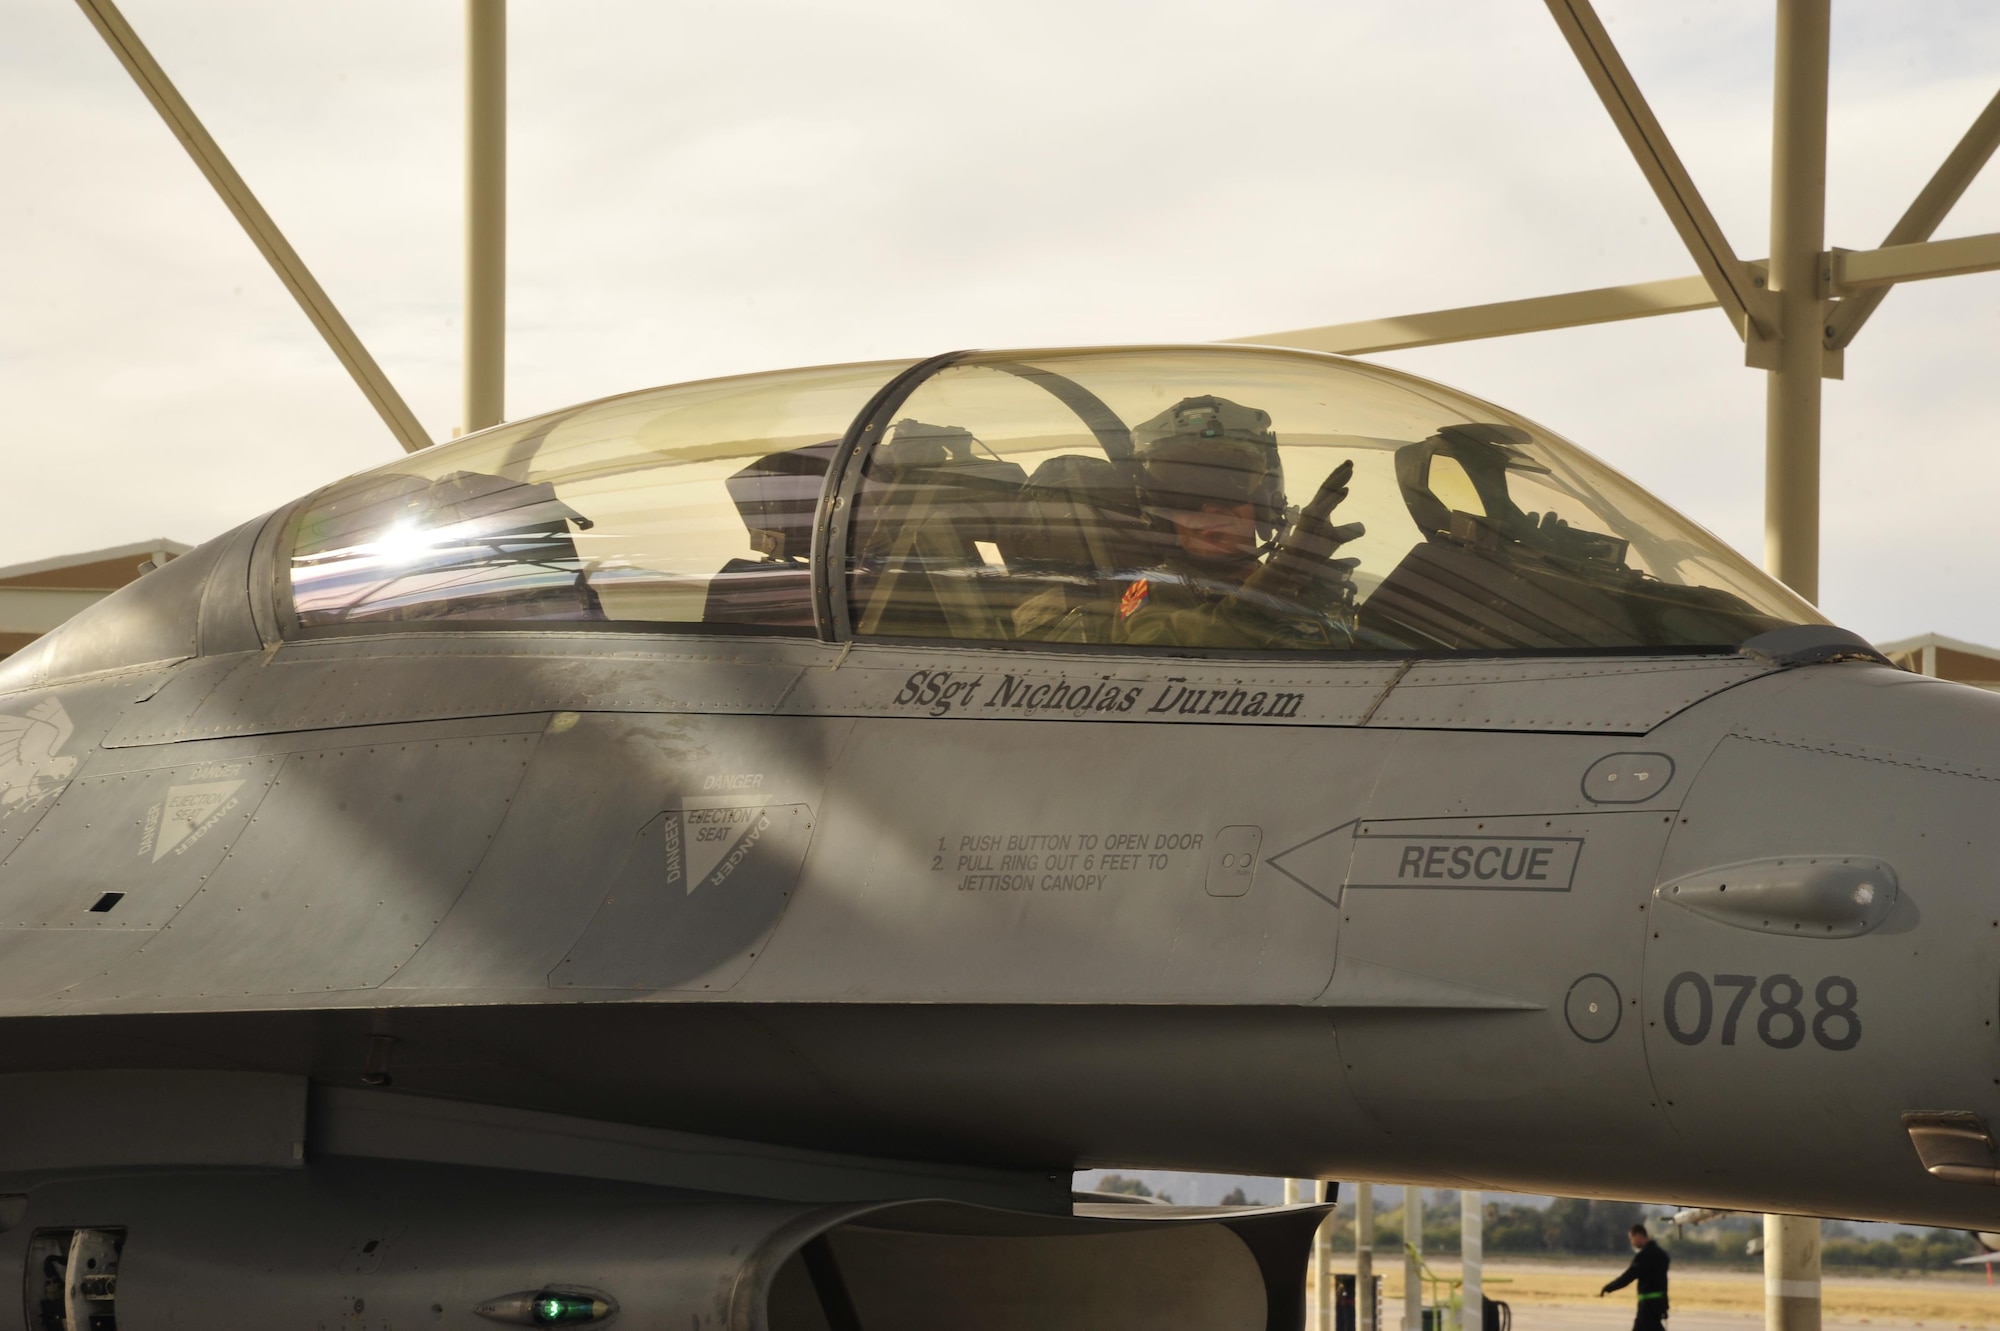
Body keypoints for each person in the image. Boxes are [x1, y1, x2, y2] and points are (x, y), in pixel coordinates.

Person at [1111, 394, 1365, 649]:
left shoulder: (1306, 592)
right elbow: (1163, 656)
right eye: (1182, 493)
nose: (1209, 509)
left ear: (1265, 499)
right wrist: (1287, 570)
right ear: (1161, 514)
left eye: (1228, 487)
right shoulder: (1157, 591)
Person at [1600, 1223, 1670, 1331]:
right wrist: (1665, 1305)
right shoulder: (1662, 1255)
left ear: (1638, 1236)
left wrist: (1610, 1287)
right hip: (1658, 1303)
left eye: (1631, 1239)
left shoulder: (1644, 1256)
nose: (1631, 1242)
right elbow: (1663, 1282)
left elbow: (1628, 1276)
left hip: (1648, 1305)